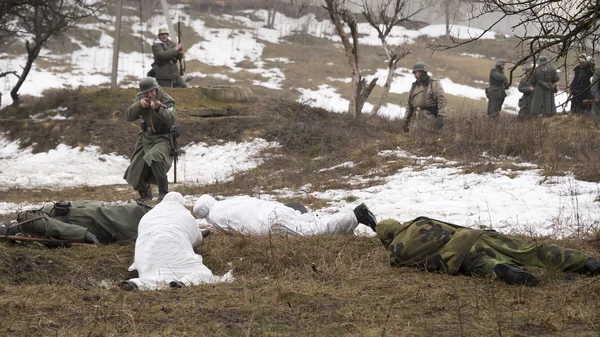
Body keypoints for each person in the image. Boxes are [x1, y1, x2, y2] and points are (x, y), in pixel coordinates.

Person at [368, 217, 600, 286]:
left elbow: (422, 264)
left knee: (485, 265)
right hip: (472, 236)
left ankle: (504, 270)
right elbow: (452, 226)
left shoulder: (394, 256)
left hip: (458, 257)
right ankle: (586, 263)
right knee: (532, 250)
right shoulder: (418, 221)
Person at [121, 192, 233, 291]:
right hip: (173, 247)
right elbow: (197, 241)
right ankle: (182, 282)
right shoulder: (186, 216)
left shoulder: (147, 216)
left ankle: (137, 283)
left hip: (146, 255)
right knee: (203, 274)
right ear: (181, 204)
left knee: (151, 273)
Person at [193, 194, 377, 236]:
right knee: (312, 220)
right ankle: (345, 217)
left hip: (273, 224)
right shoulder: (229, 201)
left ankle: (355, 216)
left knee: (312, 233)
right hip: (278, 210)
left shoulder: (216, 218)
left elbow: (232, 234)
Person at [123, 77, 177, 201]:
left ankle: (163, 192)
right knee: (134, 170)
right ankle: (145, 193)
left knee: (155, 156)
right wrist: (139, 105)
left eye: (152, 91)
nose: (150, 94)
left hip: (163, 138)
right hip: (145, 138)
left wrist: (159, 108)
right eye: (146, 92)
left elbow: (172, 119)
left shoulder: (166, 100)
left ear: (156, 88)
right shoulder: (141, 99)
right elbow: (129, 116)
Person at [1, 200, 150, 244]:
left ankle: (153, 216)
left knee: (117, 217)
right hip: (83, 217)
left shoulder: (24, 218)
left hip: (79, 217)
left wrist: (83, 234)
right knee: (120, 223)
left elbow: (50, 225)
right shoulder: (27, 236)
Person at [403, 62, 447, 134]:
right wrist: (406, 120)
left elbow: (442, 101)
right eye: (415, 73)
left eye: (419, 72)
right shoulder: (414, 86)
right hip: (415, 123)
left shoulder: (434, 84)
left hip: (430, 120)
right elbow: (409, 105)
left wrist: (441, 117)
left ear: (424, 72)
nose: (417, 75)